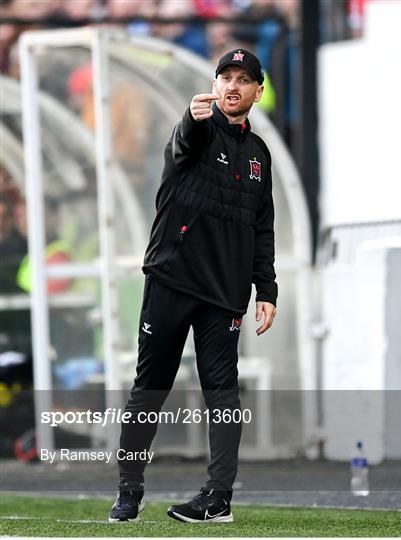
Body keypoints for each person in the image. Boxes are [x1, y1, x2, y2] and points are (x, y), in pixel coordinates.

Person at [109, 48, 278, 524]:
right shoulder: (198, 130)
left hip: (224, 294)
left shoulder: (260, 155)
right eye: (225, 76)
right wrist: (190, 116)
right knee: (151, 387)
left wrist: (266, 290)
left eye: (243, 79)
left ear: (257, 92)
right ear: (215, 83)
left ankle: (218, 498)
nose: (232, 86)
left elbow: (262, 227)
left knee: (224, 393)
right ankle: (130, 488)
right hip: (172, 278)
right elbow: (185, 142)